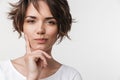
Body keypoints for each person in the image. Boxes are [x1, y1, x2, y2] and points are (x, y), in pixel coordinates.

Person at [0, 0, 82, 80]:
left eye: (50, 22)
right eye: (31, 21)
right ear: (21, 25)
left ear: (60, 27)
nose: (40, 30)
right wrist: (32, 77)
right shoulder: (2, 72)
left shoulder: (71, 76)